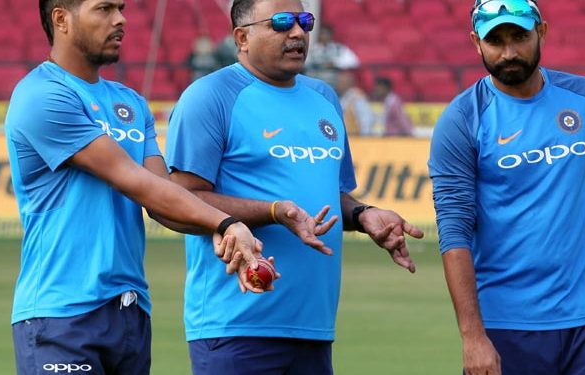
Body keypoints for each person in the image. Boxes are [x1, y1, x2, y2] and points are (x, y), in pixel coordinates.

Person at [164, 0, 425, 374]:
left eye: (305, 21)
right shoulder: (210, 97)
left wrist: (365, 214)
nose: (298, 32)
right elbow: (180, 199)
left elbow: (328, 197)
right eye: (282, 22)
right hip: (236, 326)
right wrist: (274, 212)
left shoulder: (323, 98)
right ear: (242, 37)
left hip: (314, 329)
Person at [5, 1, 265, 374]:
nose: (121, 19)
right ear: (61, 19)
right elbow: (137, 182)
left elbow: (164, 199)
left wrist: (238, 240)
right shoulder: (42, 94)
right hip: (60, 314)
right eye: (104, 9)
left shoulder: (130, 102)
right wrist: (225, 224)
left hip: (131, 313)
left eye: (122, 8)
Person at [428, 1, 585, 374]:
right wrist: (472, 336)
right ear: (476, 43)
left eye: (519, 36)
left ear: (541, 31)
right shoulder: (462, 121)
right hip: (507, 325)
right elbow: (455, 232)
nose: (509, 52)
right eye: (495, 40)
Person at [335, 69, 376, 136]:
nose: (338, 85)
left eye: (341, 82)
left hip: (356, 137)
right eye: (339, 82)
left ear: (348, 83)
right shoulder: (344, 97)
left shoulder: (357, 97)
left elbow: (366, 118)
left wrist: (364, 136)